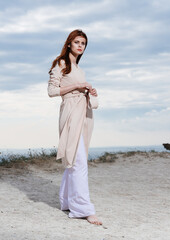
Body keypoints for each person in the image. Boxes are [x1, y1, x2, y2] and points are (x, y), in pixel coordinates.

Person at [47, 29, 102, 225]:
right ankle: (83, 209)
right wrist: (76, 87)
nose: (80, 46)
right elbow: (52, 91)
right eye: (77, 42)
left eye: (84, 43)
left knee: (76, 158)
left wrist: (89, 91)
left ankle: (67, 202)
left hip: (83, 112)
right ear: (69, 43)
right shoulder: (61, 64)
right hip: (70, 113)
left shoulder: (79, 69)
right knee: (78, 160)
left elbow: (80, 88)